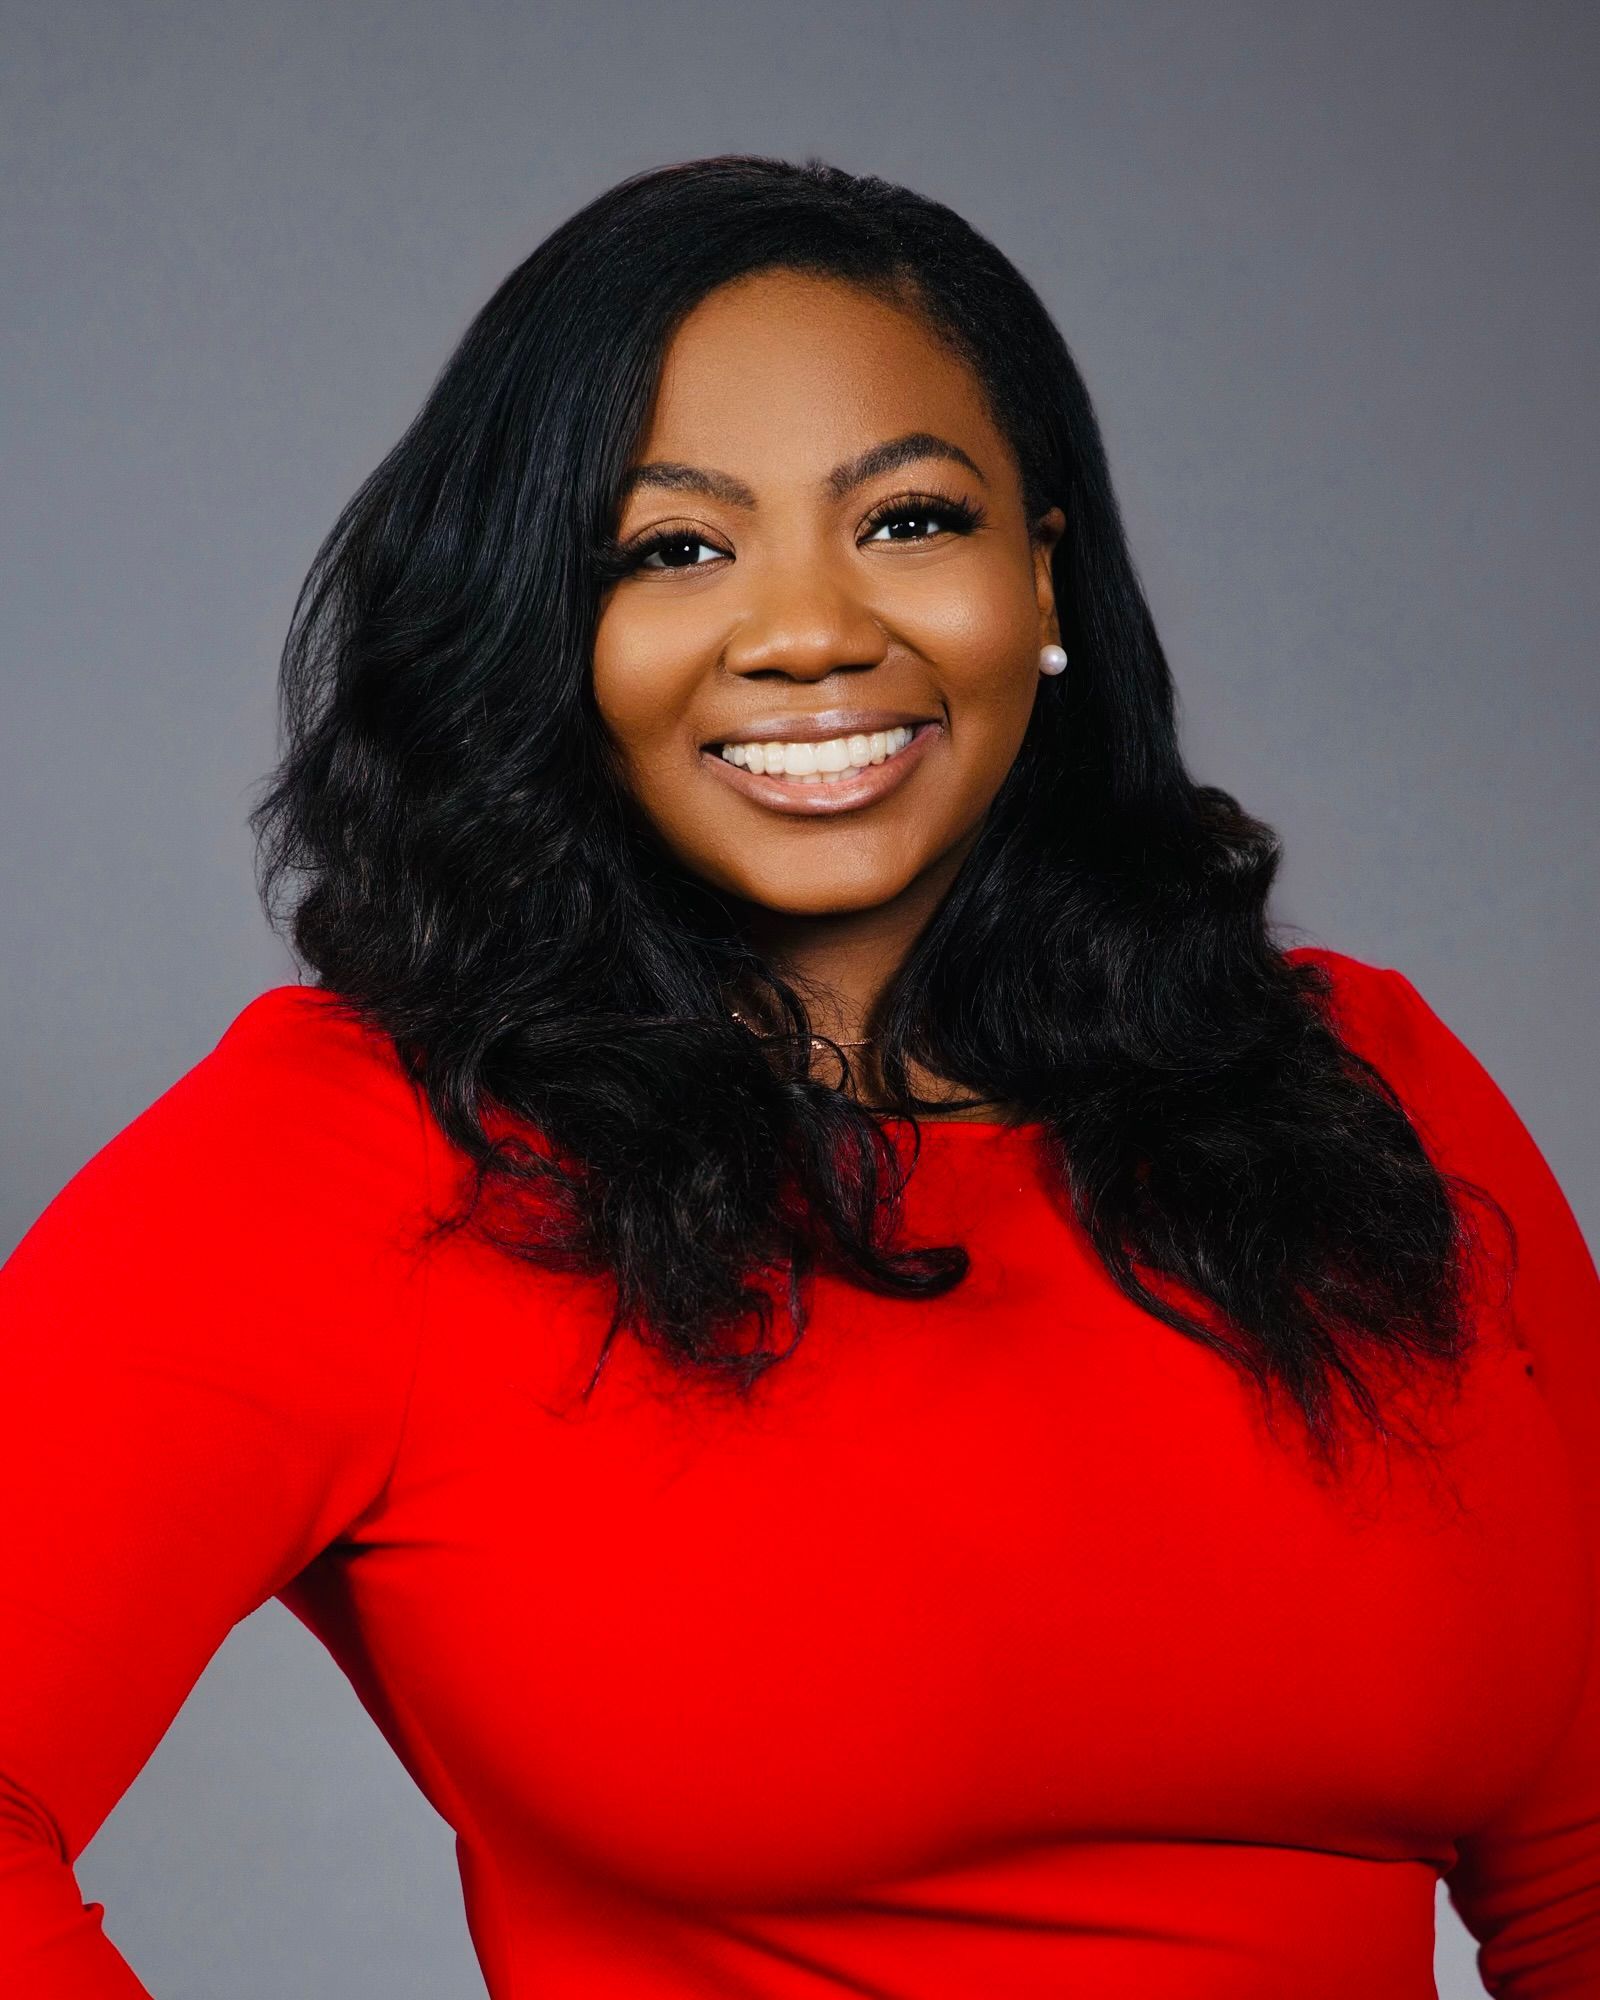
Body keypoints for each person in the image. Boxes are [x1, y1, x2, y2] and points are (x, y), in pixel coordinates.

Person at [0, 153, 1594, 2000]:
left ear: (1043, 571)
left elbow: (1579, 1864)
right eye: (673, 549)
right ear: (544, 631)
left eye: (910, 520)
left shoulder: (1357, 1081)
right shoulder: (367, 1154)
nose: (816, 631)